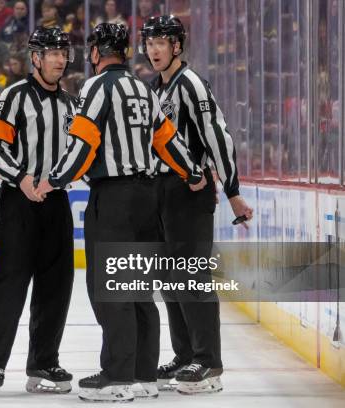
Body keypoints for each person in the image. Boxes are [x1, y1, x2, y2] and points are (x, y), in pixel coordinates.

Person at [34, 23, 206, 402]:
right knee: (139, 289)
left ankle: (116, 376)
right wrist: (192, 172)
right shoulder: (144, 89)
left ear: (96, 52)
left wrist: (53, 180)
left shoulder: (96, 87)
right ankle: (143, 374)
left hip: (113, 197)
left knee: (110, 288)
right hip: (148, 196)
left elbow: (82, 143)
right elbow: (168, 141)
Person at [140, 15, 253, 395]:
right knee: (171, 278)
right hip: (164, 191)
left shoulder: (190, 84)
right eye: (149, 42)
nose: (154, 49)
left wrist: (233, 190)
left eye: (161, 42)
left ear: (177, 45)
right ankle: (186, 353)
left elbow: (217, 136)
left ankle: (208, 362)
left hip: (190, 190)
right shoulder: (158, 88)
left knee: (190, 276)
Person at [0, 26, 76, 396]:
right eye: (52, 53)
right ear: (35, 58)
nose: (59, 59)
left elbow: (81, 153)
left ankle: (43, 362)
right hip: (18, 201)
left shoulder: (71, 104)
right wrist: (22, 178)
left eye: (63, 53)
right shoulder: (13, 96)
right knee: (10, 281)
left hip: (56, 202)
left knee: (56, 286)